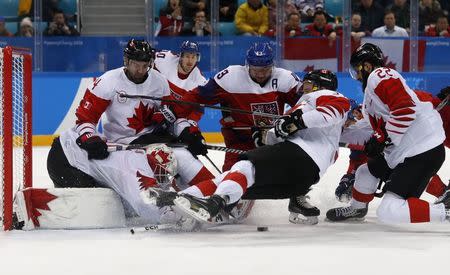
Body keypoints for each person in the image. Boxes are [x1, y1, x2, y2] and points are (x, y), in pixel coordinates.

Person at [43, 39, 214, 226]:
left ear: (150, 64)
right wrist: (90, 138)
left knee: (183, 155)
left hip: (149, 138)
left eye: (144, 65)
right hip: (122, 144)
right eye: (135, 65)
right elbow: (85, 119)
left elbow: (171, 116)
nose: (140, 70)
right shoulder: (108, 81)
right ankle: (169, 211)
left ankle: (218, 192)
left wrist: (188, 132)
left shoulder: (159, 82)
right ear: (126, 61)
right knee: (139, 173)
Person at [150, 69, 350, 226]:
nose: (303, 89)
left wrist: (295, 121)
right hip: (301, 180)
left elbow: (334, 110)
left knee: (244, 166)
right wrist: (266, 135)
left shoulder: (328, 95)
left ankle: (213, 203)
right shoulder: (317, 121)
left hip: (300, 156)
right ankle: (182, 197)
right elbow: (281, 136)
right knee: (232, 178)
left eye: (307, 85)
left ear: (319, 85)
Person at [326, 43, 448, 224]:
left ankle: (445, 213)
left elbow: (405, 109)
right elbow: (364, 130)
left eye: (357, 69)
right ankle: (357, 209)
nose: (357, 76)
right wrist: (332, 130)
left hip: (421, 151)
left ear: (367, 65)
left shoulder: (380, 75)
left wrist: (383, 138)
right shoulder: (371, 96)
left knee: (390, 211)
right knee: (366, 171)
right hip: (405, 151)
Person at [173, 42, 301, 172]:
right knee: (232, 178)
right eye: (256, 70)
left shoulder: (285, 79)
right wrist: (173, 111)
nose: (260, 74)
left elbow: (305, 104)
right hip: (240, 140)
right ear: (247, 65)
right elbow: (197, 97)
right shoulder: (230, 78)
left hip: (273, 140)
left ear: (272, 66)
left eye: (265, 70)